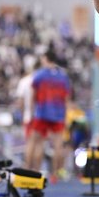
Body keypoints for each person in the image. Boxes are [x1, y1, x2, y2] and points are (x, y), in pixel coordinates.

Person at [24, 50, 70, 184]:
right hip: (58, 114)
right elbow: (66, 98)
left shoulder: (39, 75)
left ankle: (31, 171)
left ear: (45, 58)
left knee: (35, 143)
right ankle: (55, 175)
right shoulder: (63, 76)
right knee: (58, 145)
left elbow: (33, 97)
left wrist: (32, 113)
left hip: (42, 113)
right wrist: (65, 116)